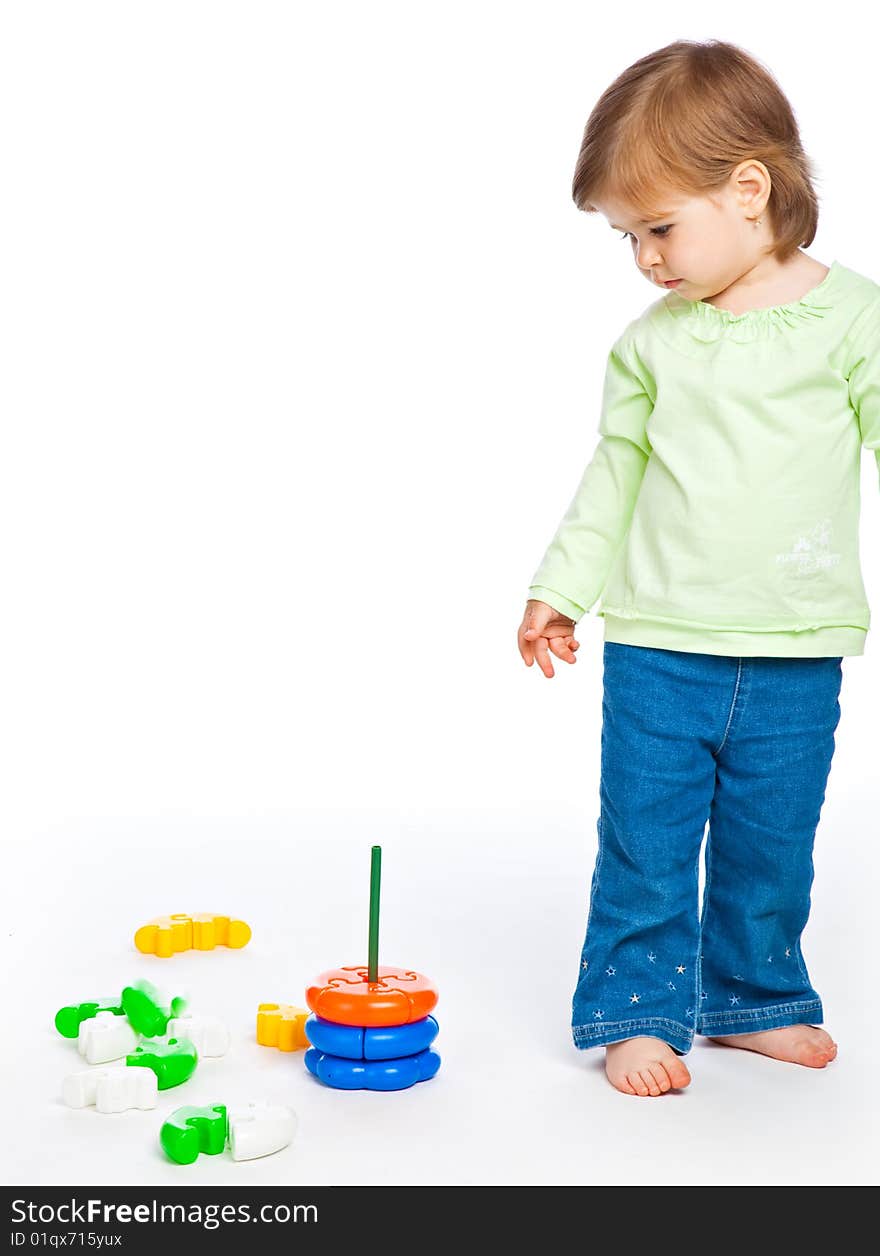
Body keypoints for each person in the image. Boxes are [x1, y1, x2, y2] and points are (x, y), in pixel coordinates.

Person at [517, 38, 880, 1098]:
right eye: (627, 237)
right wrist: (558, 585)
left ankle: (752, 998)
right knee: (646, 840)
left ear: (749, 187)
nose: (645, 258)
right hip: (657, 645)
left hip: (793, 645)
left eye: (658, 227)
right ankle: (635, 1008)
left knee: (773, 843)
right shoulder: (650, 346)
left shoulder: (853, 321)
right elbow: (613, 474)